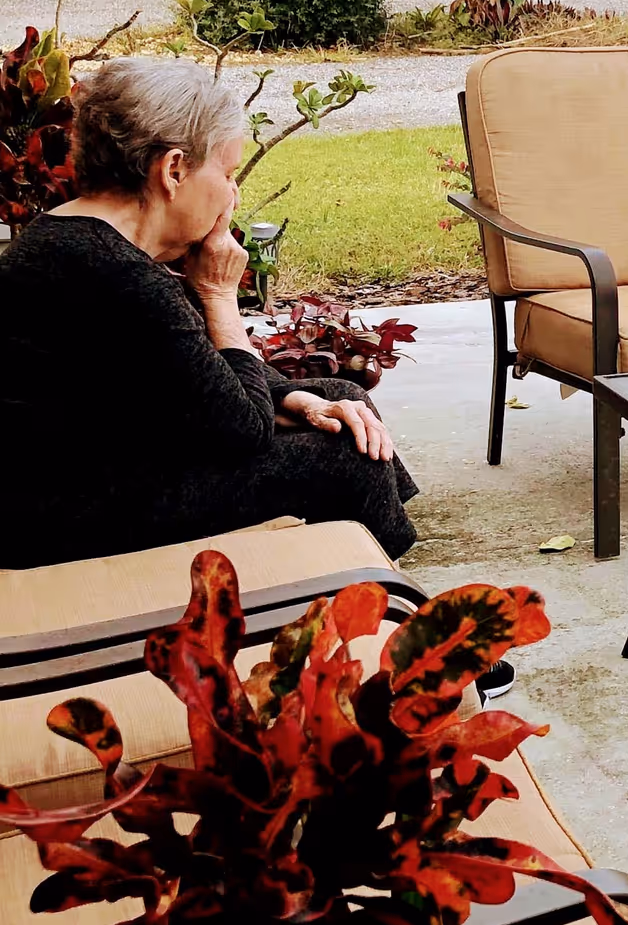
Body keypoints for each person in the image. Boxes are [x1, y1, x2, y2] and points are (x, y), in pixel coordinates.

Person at [0, 62, 419, 569]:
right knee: (345, 459)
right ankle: (393, 601)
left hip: (82, 474)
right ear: (174, 170)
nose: (232, 194)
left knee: (340, 400)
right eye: (226, 173)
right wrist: (219, 294)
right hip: (66, 521)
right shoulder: (121, 275)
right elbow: (243, 431)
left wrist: (297, 399)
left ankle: (374, 577)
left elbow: (194, 372)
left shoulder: (66, 237)